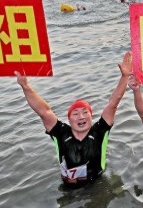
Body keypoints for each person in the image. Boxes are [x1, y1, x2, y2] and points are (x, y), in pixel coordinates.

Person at [15, 51, 132, 187]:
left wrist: (124, 77)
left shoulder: (99, 130)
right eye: (75, 114)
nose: (81, 116)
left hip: (97, 184)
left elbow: (113, 103)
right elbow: (44, 111)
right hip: (68, 187)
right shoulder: (61, 133)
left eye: (85, 112)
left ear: (91, 116)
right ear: (69, 120)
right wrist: (25, 86)